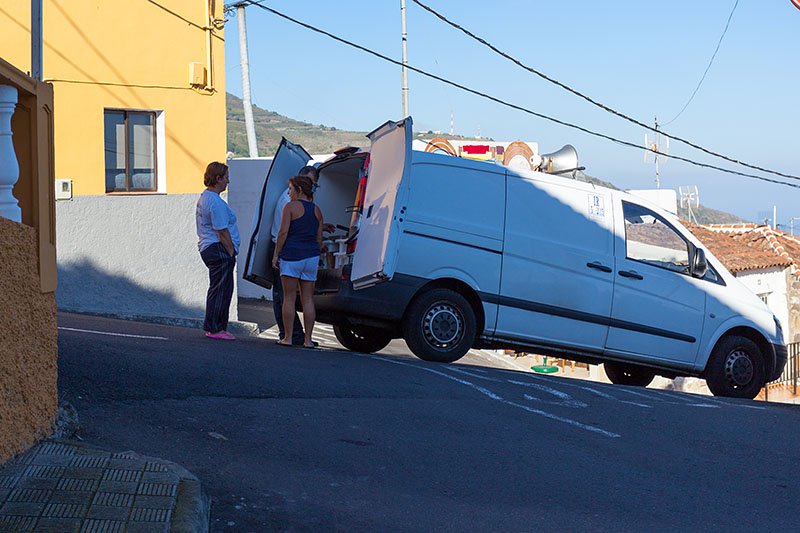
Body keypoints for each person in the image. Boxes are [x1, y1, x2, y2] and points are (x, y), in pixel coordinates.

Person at [268, 166, 333, 344]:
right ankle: (309, 340)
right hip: (311, 258)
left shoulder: (290, 207)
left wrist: (276, 255)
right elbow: (319, 238)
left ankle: (287, 338)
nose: (289, 192)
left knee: (288, 298)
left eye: (290, 189)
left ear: (298, 189)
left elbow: (282, 234)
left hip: (292, 256)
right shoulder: (317, 210)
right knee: (308, 300)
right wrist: (317, 251)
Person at [196, 161, 240, 340]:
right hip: (218, 249)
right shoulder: (214, 202)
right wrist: (230, 252)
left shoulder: (207, 197)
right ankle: (216, 328)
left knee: (220, 288)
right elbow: (221, 230)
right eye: (226, 178)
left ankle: (218, 327)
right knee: (221, 290)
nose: (228, 181)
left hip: (212, 248)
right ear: (217, 178)